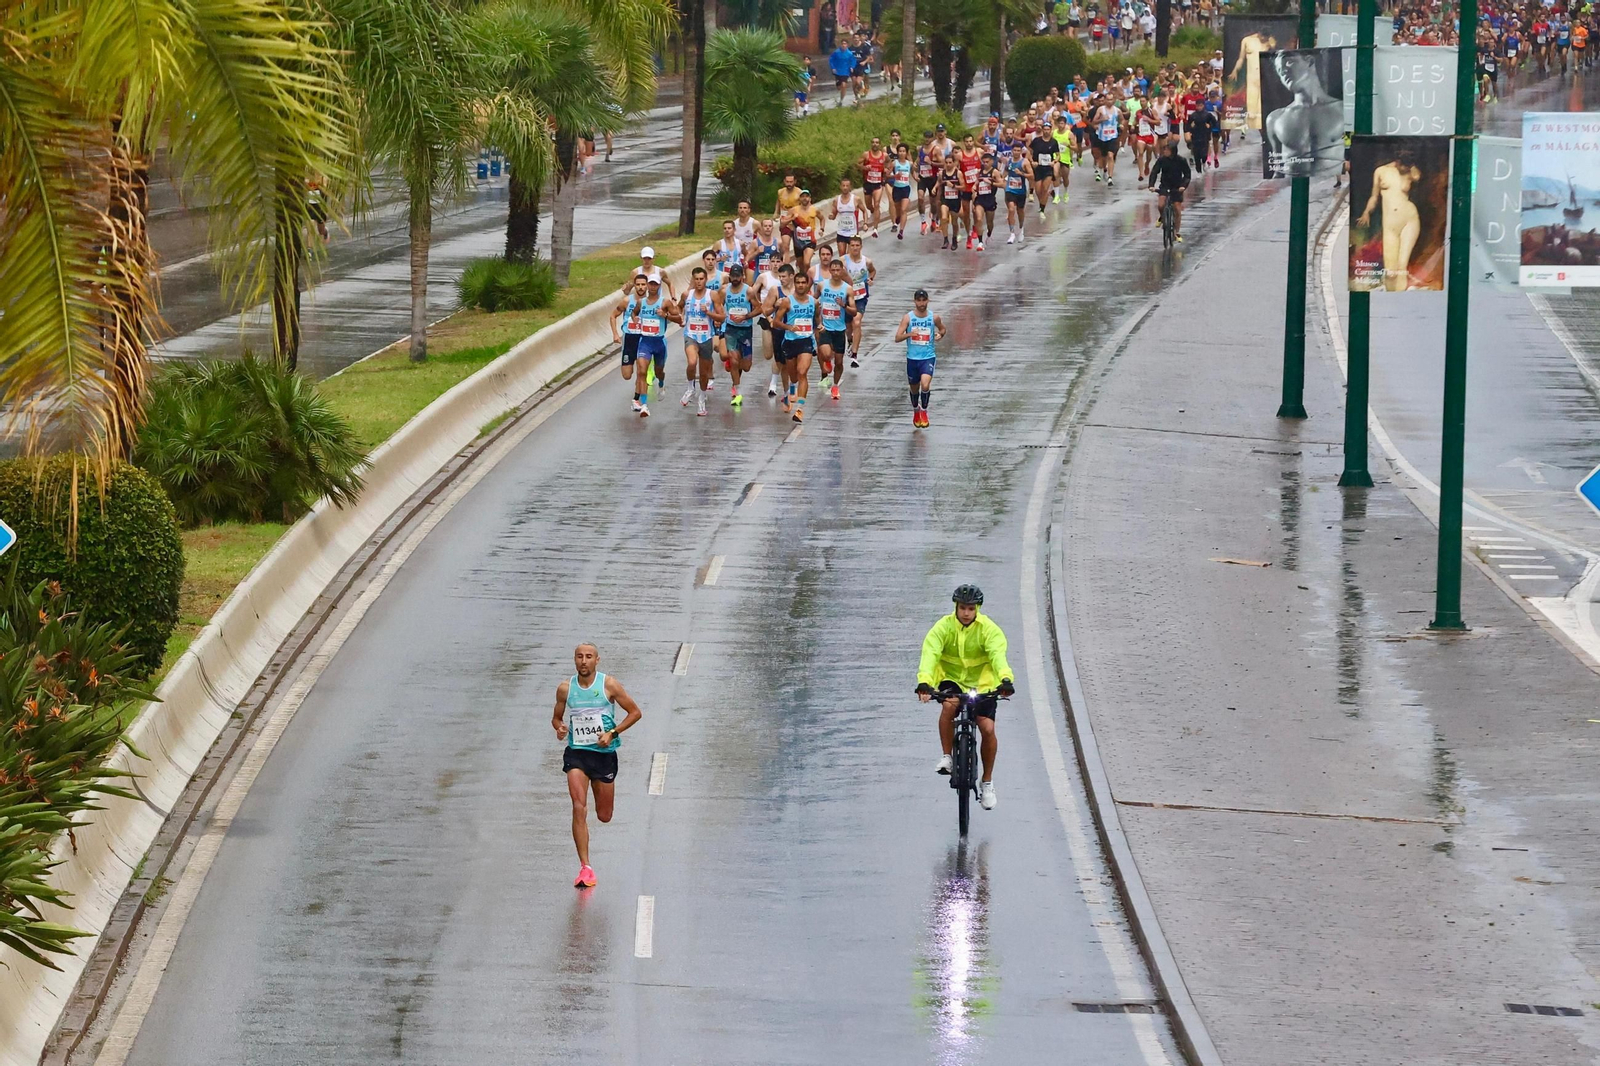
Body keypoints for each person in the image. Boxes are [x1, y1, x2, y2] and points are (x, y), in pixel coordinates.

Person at [915, 585, 1015, 811]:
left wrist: (1005, 680)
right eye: (962, 608)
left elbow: (998, 656)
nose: (966, 613)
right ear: (956, 607)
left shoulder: (989, 629)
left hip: (983, 683)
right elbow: (930, 653)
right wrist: (924, 682)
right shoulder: (943, 627)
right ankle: (947, 757)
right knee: (949, 707)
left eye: (971, 608)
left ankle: (987, 782)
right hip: (952, 679)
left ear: (977, 608)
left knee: (987, 728)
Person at [553, 643, 643, 888]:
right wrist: (559, 727)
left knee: (604, 816)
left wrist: (612, 733)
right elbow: (557, 717)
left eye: (589, 657)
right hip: (577, 754)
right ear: (574, 660)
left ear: (597, 660)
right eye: (580, 657)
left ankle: (598, 793)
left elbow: (635, 712)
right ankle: (585, 868)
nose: (584, 661)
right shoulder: (565, 688)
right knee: (578, 806)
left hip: (603, 755)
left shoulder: (608, 685)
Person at [1356, 154, 1422, 291]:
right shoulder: (1381, 171)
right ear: (1397, 161)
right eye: (1403, 165)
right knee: (1391, 272)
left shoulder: (1410, 171)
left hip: (1409, 219)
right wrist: (1366, 212)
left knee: (1401, 267)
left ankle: (1400, 302)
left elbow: (1417, 177)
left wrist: (1411, 166)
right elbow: (1374, 196)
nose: (1404, 168)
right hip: (1390, 224)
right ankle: (1390, 294)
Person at [770, 270, 818, 423]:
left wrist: (820, 326)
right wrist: (789, 327)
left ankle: (800, 409)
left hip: (806, 341)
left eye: (804, 282)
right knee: (793, 375)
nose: (801, 285)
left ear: (807, 284)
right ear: (795, 284)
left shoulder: (814, 302)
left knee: (802, 372)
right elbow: (776, 322)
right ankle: (791, 389)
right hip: (790, 341)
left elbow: (817, 318)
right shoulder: (787, 301)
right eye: (798, 283)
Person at [894, 287, 945, 427]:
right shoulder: (908, 318)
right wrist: (909, 334)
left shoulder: (934, 317)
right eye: (919, 301)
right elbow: (897, 338)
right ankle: (916, 409)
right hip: (912, 359)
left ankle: (924, 410)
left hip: (928, 357)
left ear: (928, 300)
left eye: (924, 300)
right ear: (915, 301)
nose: (921, 304)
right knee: (914, 388)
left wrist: (940, 335)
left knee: (925, 384)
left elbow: (943, 329)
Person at [678, 267, 722, 416]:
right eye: (696, 279)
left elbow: (722, 317)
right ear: (693, 280)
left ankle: (702, 398)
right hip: (691, 335)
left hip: (706, 337)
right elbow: (678, 309)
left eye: (701, 279)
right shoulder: (686, 295)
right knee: (691, 362)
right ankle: (691, 388)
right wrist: (680, 317)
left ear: (705, 280)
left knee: (704, 373)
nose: (698, 282)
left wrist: (708, 313)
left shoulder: (713, 295)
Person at [815, 257, 856, 401]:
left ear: (842, 270)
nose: (835, 272)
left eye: (838, 270)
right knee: (825, 353)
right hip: (825, 327)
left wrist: (843, 305)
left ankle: (835, 386)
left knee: (839, 362)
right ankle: (826, 361)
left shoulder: (847, 289)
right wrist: (817, 319)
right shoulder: (821, 285)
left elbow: (854, 311)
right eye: (833, 270)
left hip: (839, 329)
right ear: (830, 271)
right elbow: (814, 302)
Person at [609, 274, 650, 412]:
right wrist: (615, 334)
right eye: (638, 284)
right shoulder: (627, 301)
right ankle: (638, 394)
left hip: (644, 339)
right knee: (627, 375)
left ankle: (637, 398)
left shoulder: (651, 302)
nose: (641, 287)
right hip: (629, 339)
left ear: (647, 285)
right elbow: (613, 315)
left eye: (643, 284)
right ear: (635, 285)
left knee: (641, 370)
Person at [719, 263, 756, 407]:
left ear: (742, 276)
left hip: (745, 330)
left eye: (737, 276)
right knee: (734, 361)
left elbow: (759, 309)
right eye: (733, 276)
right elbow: (717, 305)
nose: (735, 279)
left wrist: (746, 316)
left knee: (746, 366)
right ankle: (737, 392)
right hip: (730, 329)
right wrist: (720, 317)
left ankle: (735, 369)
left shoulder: (749, 291)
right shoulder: (724, 291)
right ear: (729, 277)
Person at [1148, 141, 1191, 243]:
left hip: (1177, 187)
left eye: (1167, 150)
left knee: (1177, 208)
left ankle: (1176, 232)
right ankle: (1162, 217)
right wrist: (1151, 185)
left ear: (1172, 151)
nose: (1165, 151)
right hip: (1165, 185)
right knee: (1161, 205)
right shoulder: (1162, 160)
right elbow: (1154, 171)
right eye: (1164, 150)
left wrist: (1183, 186)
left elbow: (1187, 175)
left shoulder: (1181, 160)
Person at [1003, 141, 1033, 244]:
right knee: (1011, 209)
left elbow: (1031, 175)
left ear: (1021, 151)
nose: (1016, 152)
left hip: (1020, 191)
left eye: (1018, 151)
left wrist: (1021, 173)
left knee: (1020, 211)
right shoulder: (1008, 161)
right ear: (1012, 151)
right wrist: (1002, 180)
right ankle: (1012, 233)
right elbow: (1005, 173)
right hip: (1010, 189)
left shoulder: (1025, 162)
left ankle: (1021, 229)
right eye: (1014, 150)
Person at [889, 143, 914, 239]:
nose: (902, 153)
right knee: (898, 208)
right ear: (898, 152)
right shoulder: (894, 163)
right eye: (900, 151)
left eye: (904, 151)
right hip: (896, 188)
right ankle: (898, 217)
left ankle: (901, 231)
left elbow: (913, 173)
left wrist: (917, 179)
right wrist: (895, 176)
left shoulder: (909, 163)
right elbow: (887, 174)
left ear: (906, 153)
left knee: (904, 209)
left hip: (905, 188)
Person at [829, 38, 858, 108]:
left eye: (845, 44)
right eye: (842, 44)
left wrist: (852, 67)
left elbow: (853, 61)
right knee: (839, 87)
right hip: (838, 72)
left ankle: (841, 100)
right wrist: (833, 68)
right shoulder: (836, 52)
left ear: (847, 45)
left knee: (844, 85)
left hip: (845, 72)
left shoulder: (849, 53)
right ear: (841, 44)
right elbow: (831, 60)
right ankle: (840, 89)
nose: (843, 45)